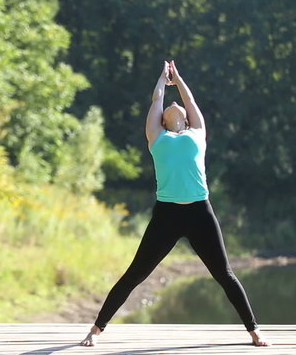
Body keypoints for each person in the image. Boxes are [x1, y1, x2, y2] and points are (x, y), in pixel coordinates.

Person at [80, 60, 270, 347]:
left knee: (224, 274)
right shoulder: (157, 137)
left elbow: (189, 99)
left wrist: (177, 78)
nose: (173, 104)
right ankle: (96, 329)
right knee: (135, 274)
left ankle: (254, 331)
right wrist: (161, 78)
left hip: (199, 212)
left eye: (177, 105)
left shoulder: (198, 134)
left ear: (185, 117)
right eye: (168, 107)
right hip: (166, 215)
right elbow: (157, 98)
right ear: (164, 120)